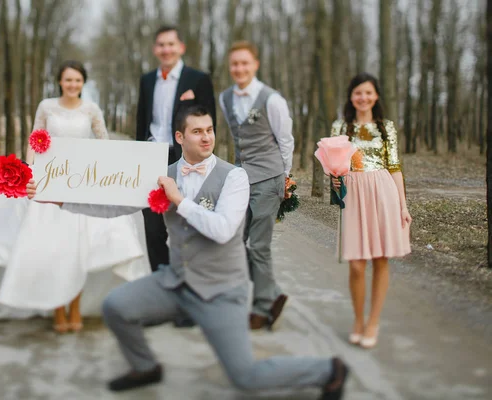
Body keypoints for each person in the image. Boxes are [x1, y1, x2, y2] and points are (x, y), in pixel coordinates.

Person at [33, 105, 349, 399]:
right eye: (197, 131)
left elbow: (224, 230)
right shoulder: (160, 173)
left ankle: (327, 370)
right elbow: (117, 205)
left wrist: (180, 201)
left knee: (246, 376)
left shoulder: (235, 177)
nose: (207, 136)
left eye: (210, 129)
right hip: (177, 281)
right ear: (180, 137)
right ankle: (145, 367)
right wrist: (61, 200)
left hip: (221, 290)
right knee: (116, 306)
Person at [0, 60, 150, 333]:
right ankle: (58, 309)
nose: (72, 85)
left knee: (80, 246)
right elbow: (34, 138)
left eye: (77, 81)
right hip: (49, 180)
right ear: (60, 81)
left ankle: (76, 307)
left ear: (83, 83)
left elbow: (104, 143)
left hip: (80, 183)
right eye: (68, 80)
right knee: (52, 247)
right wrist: (31, 172)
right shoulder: (46, 106)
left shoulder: (91, 109)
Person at [330, 73, 411, 349]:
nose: (363, 98)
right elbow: (332, 164)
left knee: (380, 258)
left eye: (368, 93)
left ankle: (373, 321)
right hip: (352, 194)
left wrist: (403, 204)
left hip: (382, 190)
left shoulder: (386, 127)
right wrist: (334, 177)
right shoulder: (340, 127)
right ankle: (358, 320)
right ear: (351, 96)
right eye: (357, 93)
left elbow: (395, 167)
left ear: (376, 96)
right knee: (355, 263)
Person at [219, 41, 294, 330]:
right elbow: (237, 136)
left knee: (258, 245)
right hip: (240, 178)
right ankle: (272, 292)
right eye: (235, 64)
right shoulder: (225, 98)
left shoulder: (271, 99)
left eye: (244, 63)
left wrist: (285, 177)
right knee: (234, 242)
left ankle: (262, 308)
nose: (239, 68)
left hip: (268, 177)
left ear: (255, 65)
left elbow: (285, 141)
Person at [136, 25, 216, 272]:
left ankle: (189, 279)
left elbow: (210, 124)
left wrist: (203, 160)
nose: (166, 49)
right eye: (161, 45)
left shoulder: (198, 79)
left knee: (186, 220)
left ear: (180, 47)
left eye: (171, 44)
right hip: (151, 155)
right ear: (155, 49)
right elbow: (141, 121)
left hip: (184, 156)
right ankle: (160, 279)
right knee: (152, 225)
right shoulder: (147, 80)